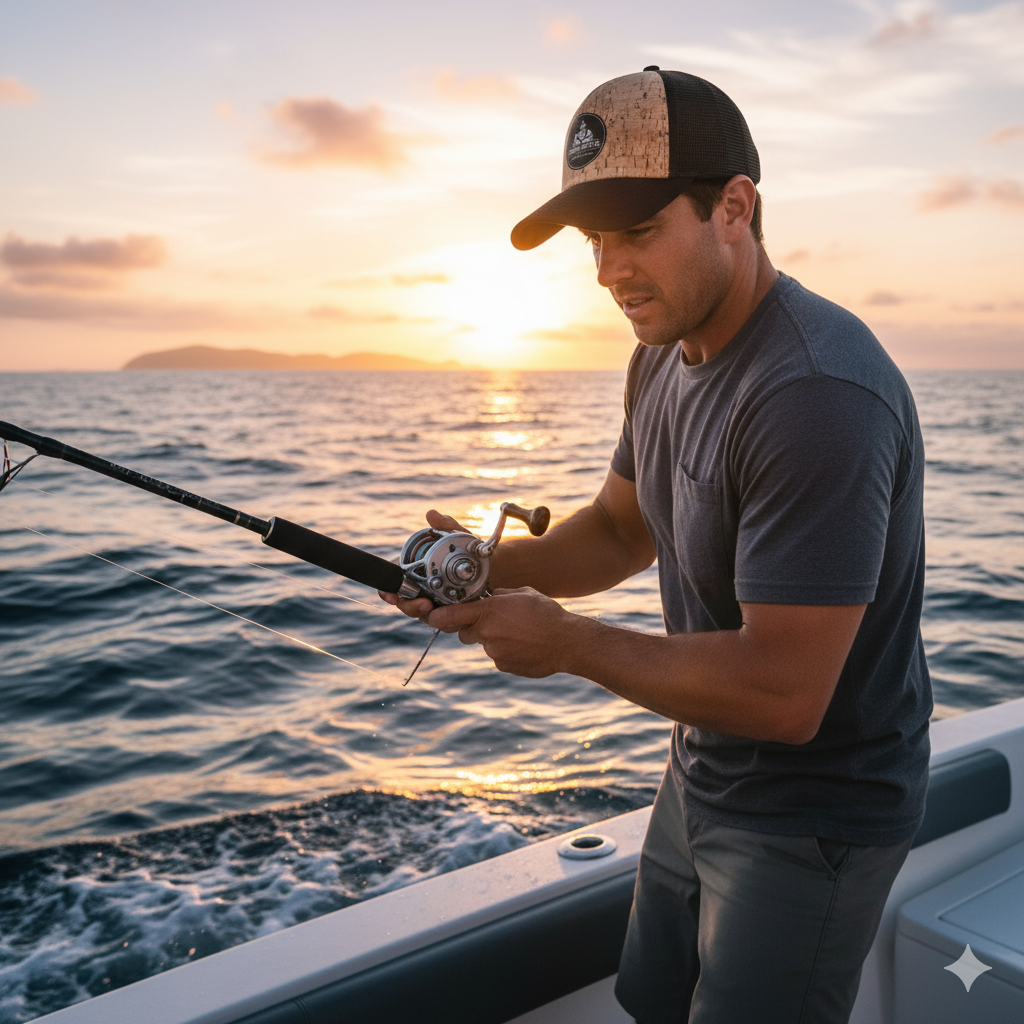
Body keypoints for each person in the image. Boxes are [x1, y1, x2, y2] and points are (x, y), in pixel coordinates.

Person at [381, 68, 932, 1024]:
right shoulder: (661, 354)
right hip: (700, 771)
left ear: (735, 207)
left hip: (813, 814)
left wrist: (568, 646)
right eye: (595, 241)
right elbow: (620, 532)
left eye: (637, 233)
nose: (608, 271)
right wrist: (480, 567)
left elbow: (785, 693)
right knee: (650, 1004)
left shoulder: (815, 393)